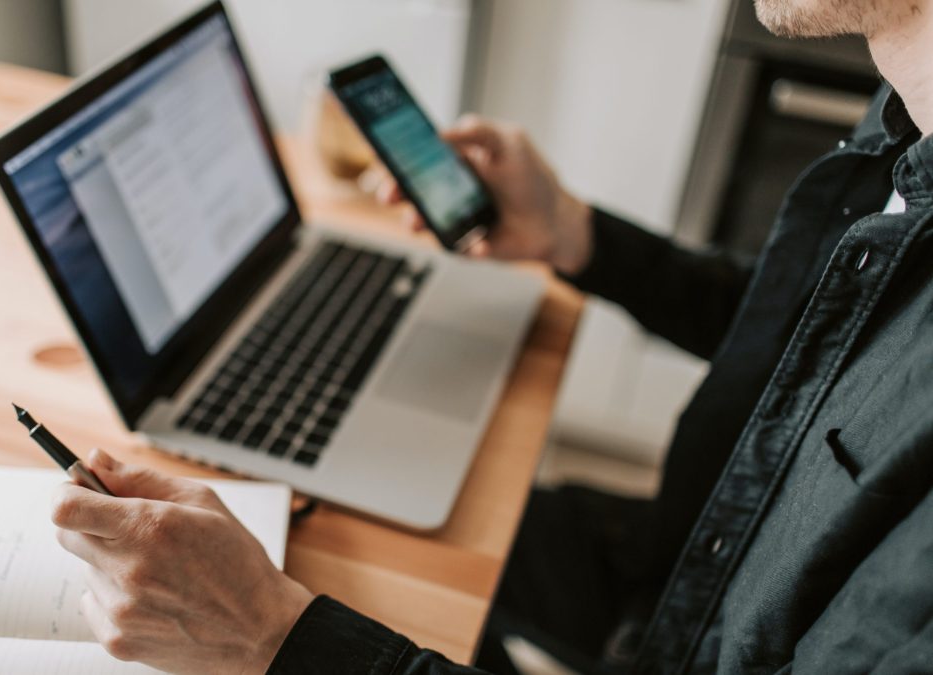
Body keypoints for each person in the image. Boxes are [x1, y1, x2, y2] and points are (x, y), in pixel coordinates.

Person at [51, 0, 933, 672]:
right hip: (682, 552)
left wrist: (274, 636)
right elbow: (817, 329)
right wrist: (577, 235)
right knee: (422, 527)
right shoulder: (902, 107)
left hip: (688, 632)